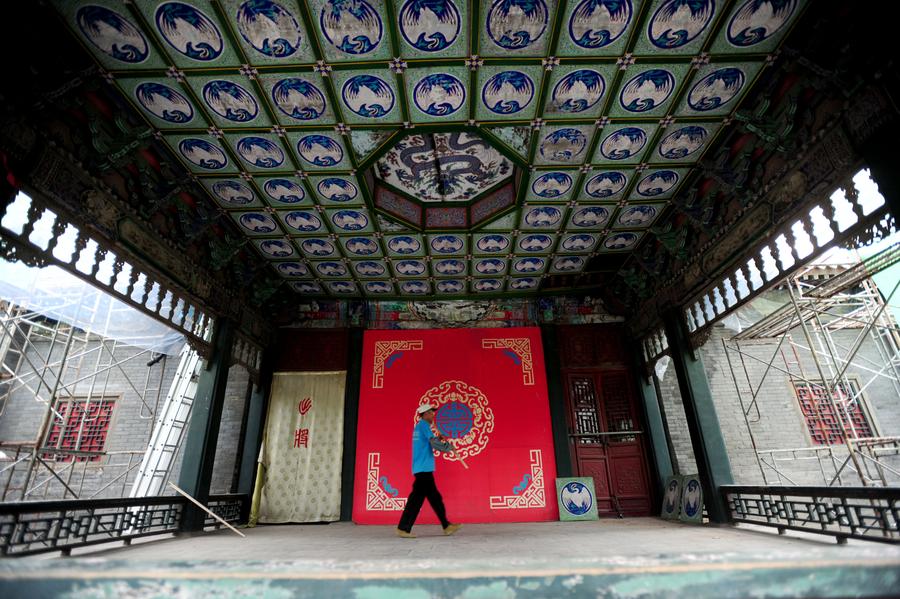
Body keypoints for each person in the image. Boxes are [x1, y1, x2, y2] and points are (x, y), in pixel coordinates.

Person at [396, 404, 462, 539]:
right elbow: (434, 444)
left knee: (434, 498)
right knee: (417, 501)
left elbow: (430, 441)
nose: (433, 415)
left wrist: (439, 438)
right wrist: (448, 447)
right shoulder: (424, 426)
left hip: (422, 469)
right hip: (423, 469)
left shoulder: (420, 427)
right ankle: (403, 528)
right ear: (425, 414)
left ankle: (446, 526)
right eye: (431, 413)